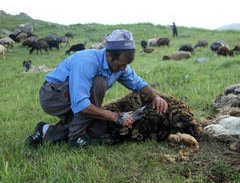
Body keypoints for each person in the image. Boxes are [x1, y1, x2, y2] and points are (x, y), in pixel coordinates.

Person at [26, 29, 168, 148]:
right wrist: (115, 117)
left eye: (127, 64)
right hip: (53, 95)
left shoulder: (120, 66)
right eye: (121, 64)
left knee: (98, 130)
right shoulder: (87, 61)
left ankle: (44, 131)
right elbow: (80, 104)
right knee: (99, 83)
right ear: (108, 55)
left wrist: (155, 97)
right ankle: (76, 136)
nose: (123, 69)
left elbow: (138, 83)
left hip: (76, 98)